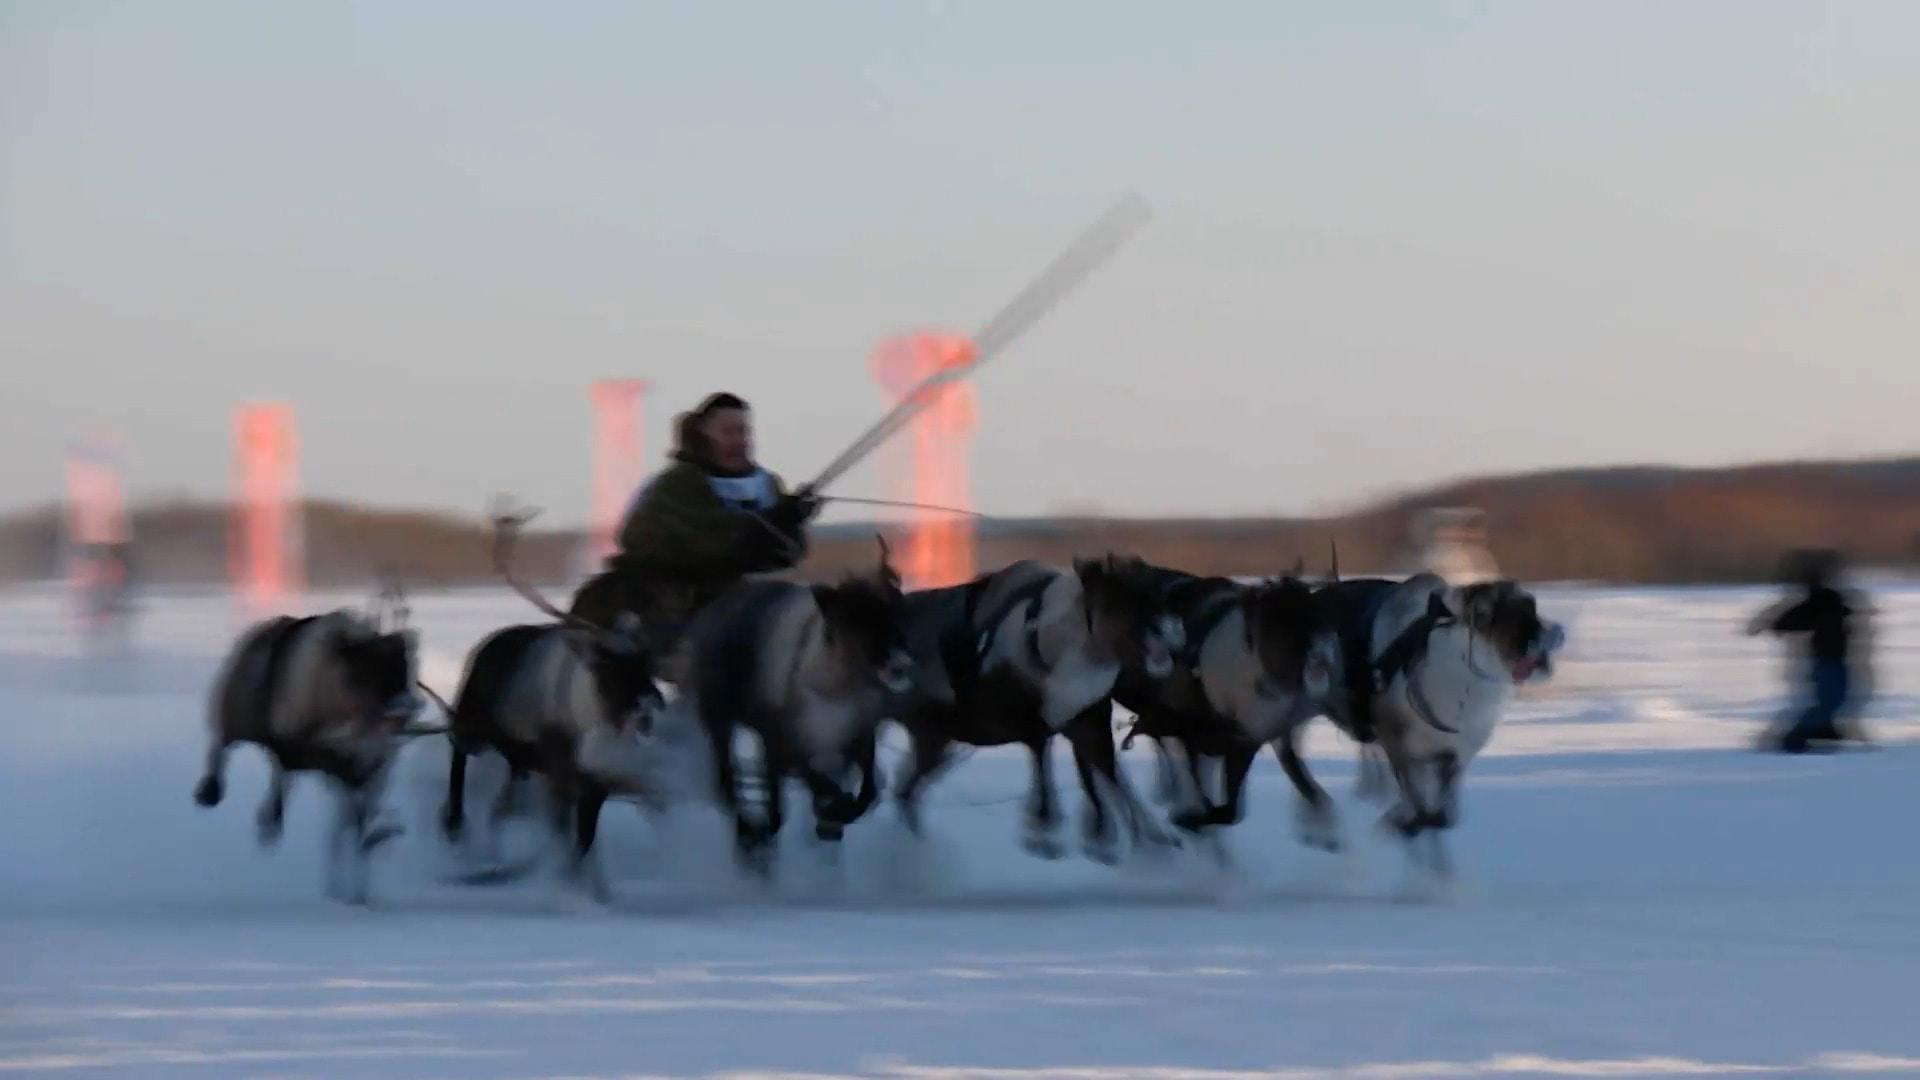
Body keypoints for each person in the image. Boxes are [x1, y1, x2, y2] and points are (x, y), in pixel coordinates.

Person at [570, 392, 820, 651]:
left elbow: (788, 553)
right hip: (664, 598)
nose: (739, 441)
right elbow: (706, 539)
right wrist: (767, 523)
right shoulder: (675, 485)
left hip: (737, 594)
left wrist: (790, 522)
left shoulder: (765, 484)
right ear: (702, 436)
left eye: (743, 432)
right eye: (728, 432)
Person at [1747, 548, 1866, 754]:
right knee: (1830, 699)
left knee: (1835, 698)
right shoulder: (1823, 600)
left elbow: (1795, 618)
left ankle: (1823, 731)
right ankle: (1797, 737)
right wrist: (1775, 625)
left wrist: (1775, 625)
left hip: (1832, 659)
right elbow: (1796, 618)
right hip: (1827, 660)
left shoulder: (1826, 600)